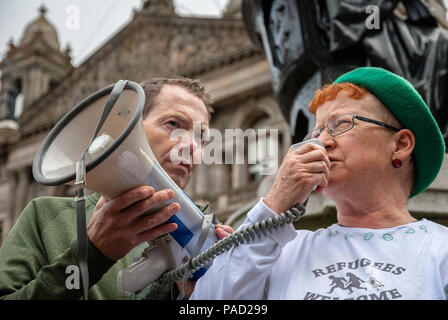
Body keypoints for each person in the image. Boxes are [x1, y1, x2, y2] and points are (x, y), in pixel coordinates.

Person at [190, 67, 448, 300]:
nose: (320, 142)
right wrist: (275, 204)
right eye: (316, 132)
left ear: (400, 145)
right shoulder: (281, 253)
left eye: (341, 124)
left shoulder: (440, 249)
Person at [0, 77, 233, 300]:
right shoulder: (46, 216)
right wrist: (92, 255)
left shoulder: (212, 235)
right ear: (128, 125)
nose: (191, 145)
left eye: (201, 137)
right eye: (173, 124)